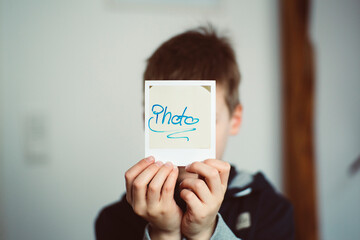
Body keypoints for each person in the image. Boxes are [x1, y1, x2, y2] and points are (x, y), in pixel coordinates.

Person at [95, 25, 294, 240]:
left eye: (202, 120)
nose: (184, 135)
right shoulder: (114, 220)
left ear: (234, 121)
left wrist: (205, 233)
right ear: (148, 121)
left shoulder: (268, 209)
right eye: (170, 118)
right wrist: (164, 233)